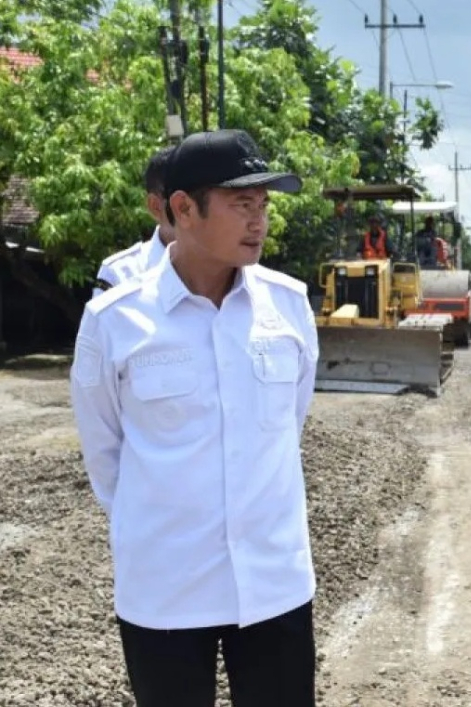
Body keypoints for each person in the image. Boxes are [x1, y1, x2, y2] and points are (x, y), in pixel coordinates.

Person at [70, 129, 318, 707]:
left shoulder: (288, 306)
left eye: (263, 204)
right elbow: (105, 455)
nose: (259, 221)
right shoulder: (116, 321)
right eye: (240, 205)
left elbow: (287, 425)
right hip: (166, 590)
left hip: (273, 584)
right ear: (183, 208)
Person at [92, 147, 176, 297]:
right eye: (184, 202)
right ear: (155, 206)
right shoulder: (118, 274)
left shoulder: (228, 270)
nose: (201, 208)